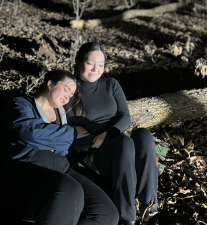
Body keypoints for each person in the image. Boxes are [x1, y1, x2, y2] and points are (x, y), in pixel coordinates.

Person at [1, 70, 119, 225]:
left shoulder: (63, 115)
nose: (68, 97)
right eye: (66, 90)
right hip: (28, 165)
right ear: (50, 84)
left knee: (107, 213)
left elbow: (60, 145)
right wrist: (71, 133)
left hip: (62, 165)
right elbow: (29, 133)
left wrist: (54, 137)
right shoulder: (22, 104)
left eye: (71, 95)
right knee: (70, 190)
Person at [64, 42, 159, 225]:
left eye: (101, 65)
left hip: (117, 141)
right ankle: (128, 215)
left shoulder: (111, 84)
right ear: (77, 62)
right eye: (90, 63)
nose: (96, 69)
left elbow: (125, 115)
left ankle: (150, 207)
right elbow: (68, 124)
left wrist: (107, 134)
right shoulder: (70, 91)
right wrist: (97, 138)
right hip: (93, 151)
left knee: (144, 135)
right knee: (124, 142)